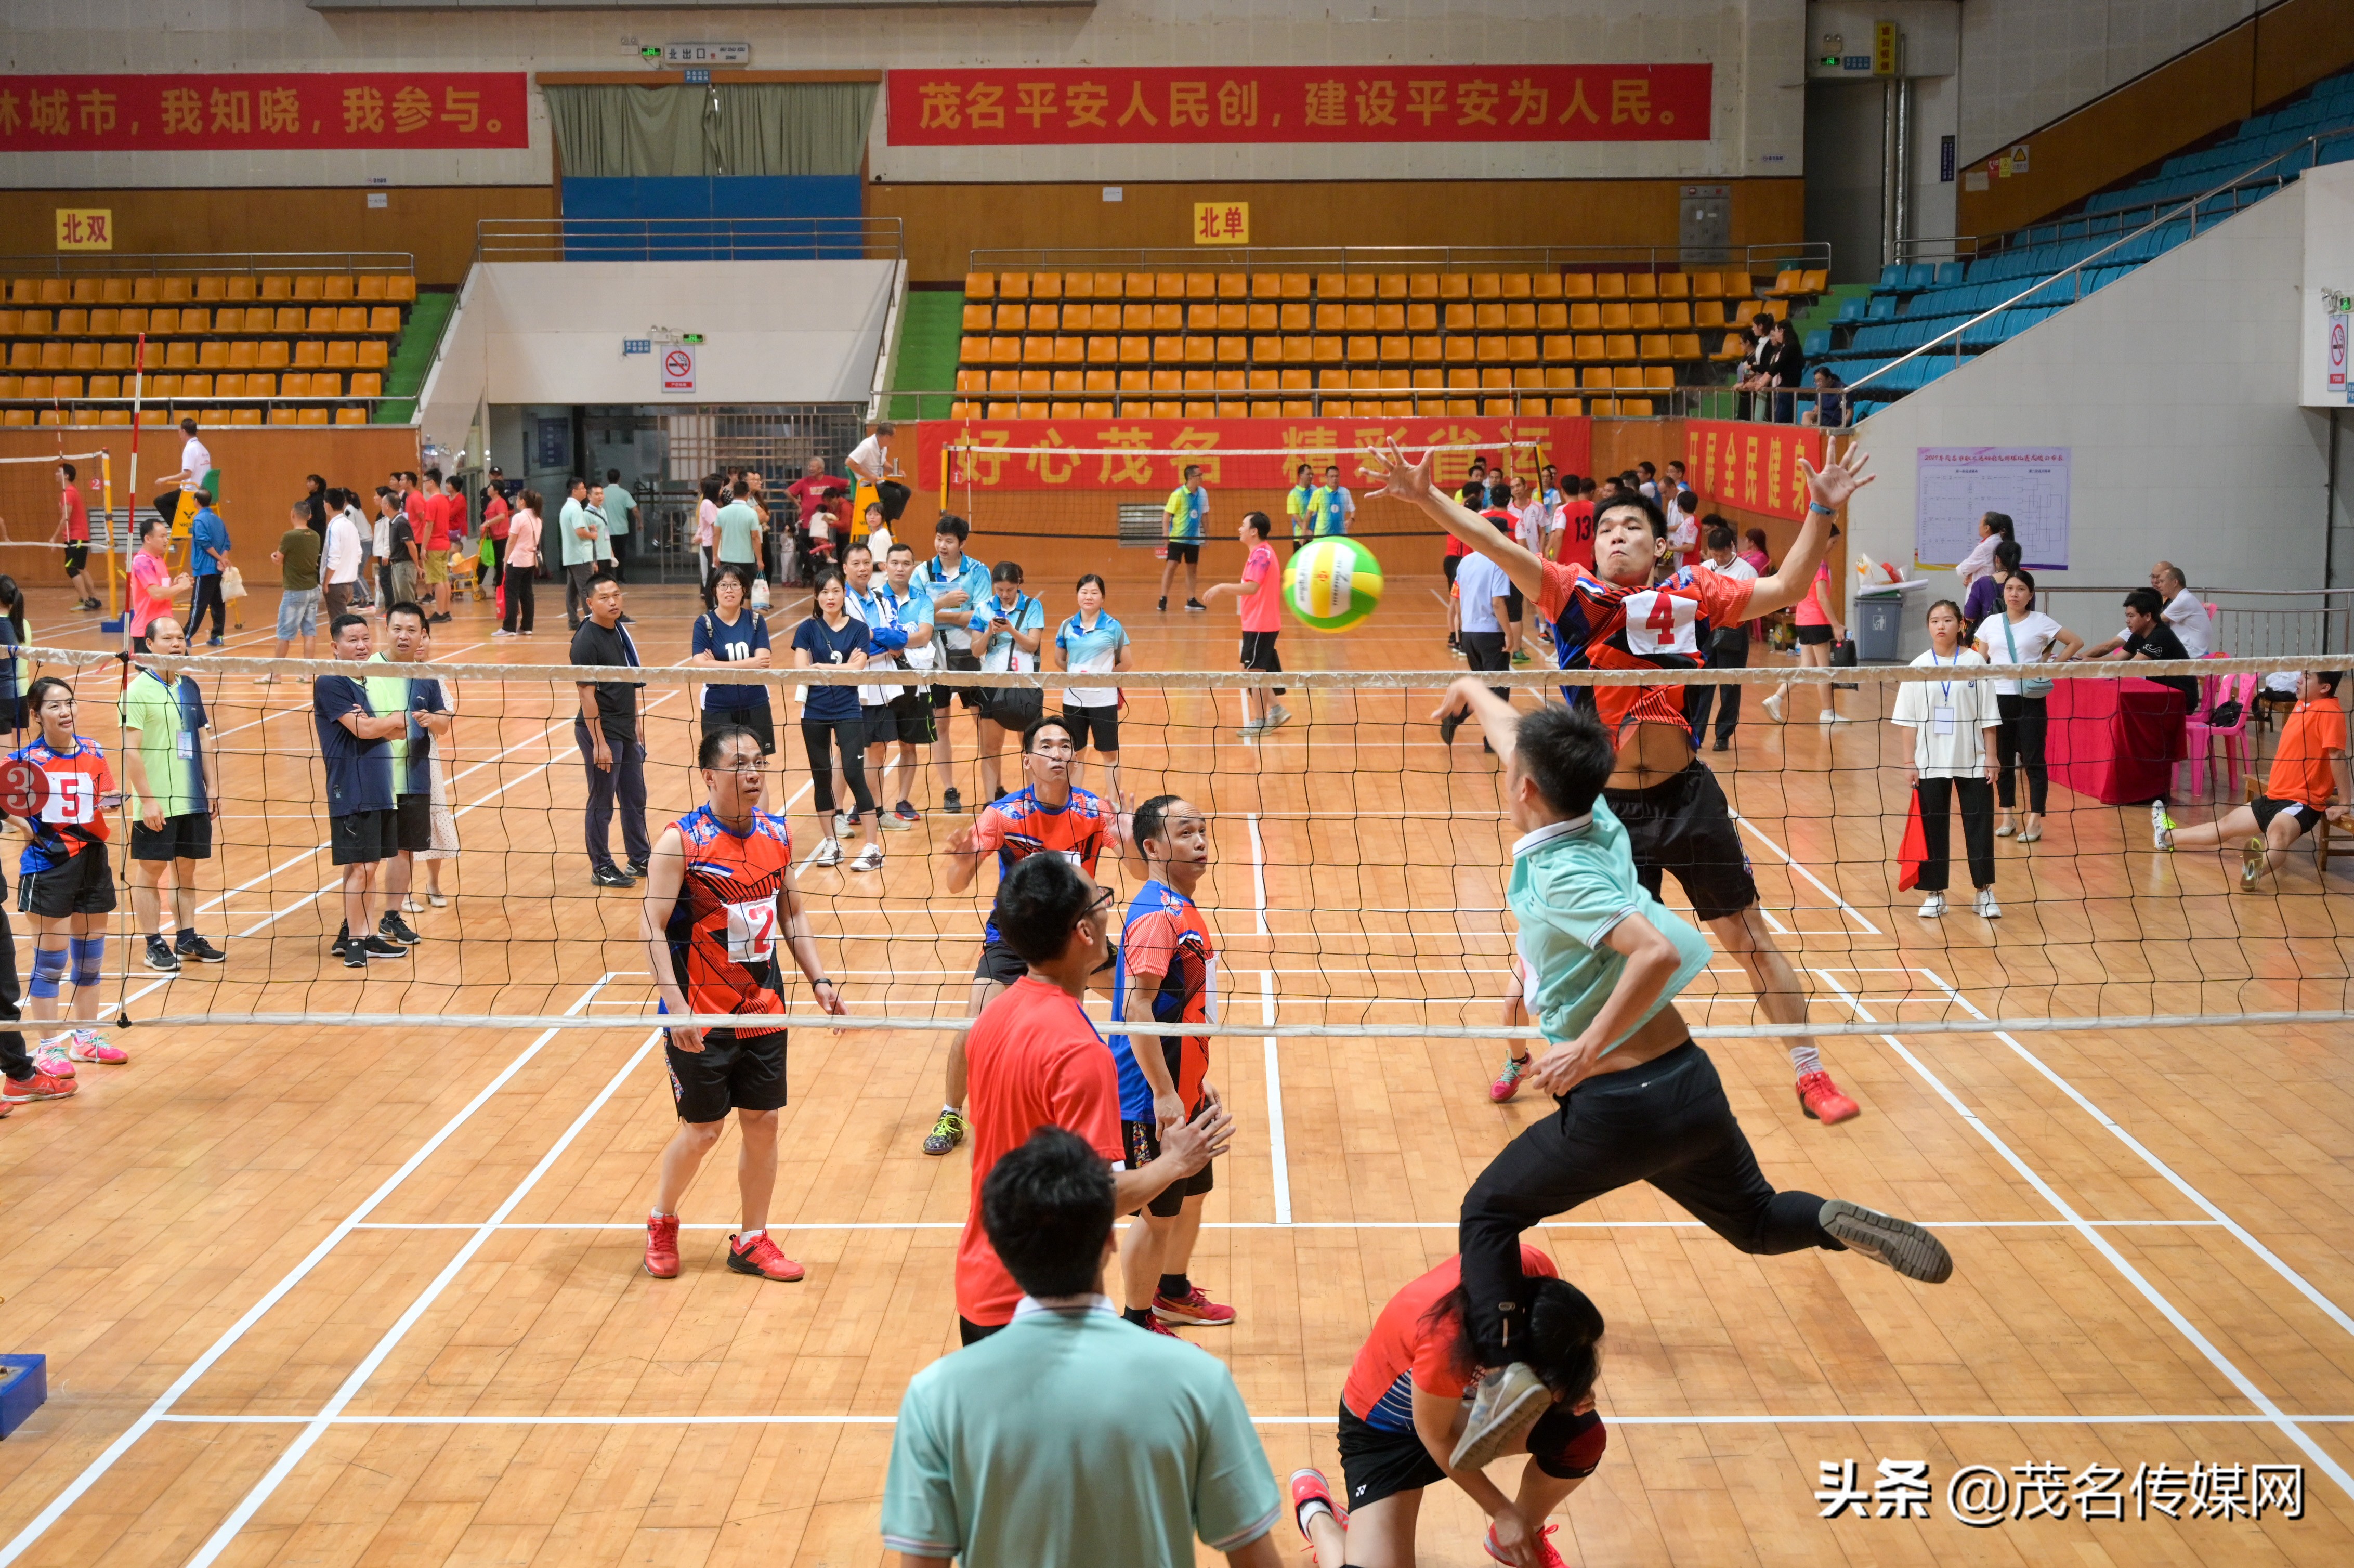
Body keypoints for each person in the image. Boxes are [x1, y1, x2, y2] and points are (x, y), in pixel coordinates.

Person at [1426, 686, 1951, 1477]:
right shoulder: (1599, 817)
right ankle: (1831, 1220)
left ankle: (1502, 1375)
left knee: (1488, 1212)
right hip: (1689, 1086)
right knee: (1758, 1221)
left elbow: (1657, 951)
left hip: (1616, 1110)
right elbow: (1518, 740)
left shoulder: (1563, 872)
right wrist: (1472, 690)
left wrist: (1583, 1049)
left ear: (1524, 788)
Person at [1376, 435, 1874, 1128]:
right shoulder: (1570, 593)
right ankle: (1538, 1059)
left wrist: (1821, 511)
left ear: (1659, 544)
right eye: (1606, 527)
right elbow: (1493, 545)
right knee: (1563, 968)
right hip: (1602, 814)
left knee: (1748, 937)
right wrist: (1426, 496)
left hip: (1686, 797)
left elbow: (1788, 588)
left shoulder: (1696, 592)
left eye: (1632, 526)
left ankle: (1809, 1072)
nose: (1615, 535)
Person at [885, 1125, 1277, 1568]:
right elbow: (1253, 1556)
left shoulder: (935, 1398)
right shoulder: (1198, 1382)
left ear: (997, 1245)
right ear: (1110, 1239)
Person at [947, 854, 1232, 1342]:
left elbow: (986, 1153)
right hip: (1038, 1307)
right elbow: (1090, 1200)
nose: (1110, 909)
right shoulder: (1080, 1051)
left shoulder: (993, 1016)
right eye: (1101, 900)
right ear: (1084, 931)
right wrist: (1175, 1163)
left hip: (980, 1280)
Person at [639, 723, 847, 1285]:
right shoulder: (680, 842)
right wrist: (676, 1008)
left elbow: (792, 913)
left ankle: (752, 1239)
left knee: (763, 1122)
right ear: (709, 776)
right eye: (739, 764)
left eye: (758, 763)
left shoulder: (777, 834)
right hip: (701, 1012)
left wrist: (820, 980)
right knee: (703, 1130)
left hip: (763, 1006)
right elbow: (651, 926)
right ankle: (662, 1220)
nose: (753, 773)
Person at [1290, 1245, 1603, 1568]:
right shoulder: (1445, 1339)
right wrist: (1503, 1511)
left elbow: (1555, 1352)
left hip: (1456, 1412)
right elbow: (1436, 1436)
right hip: (1386, 1434)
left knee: (1581, 1436)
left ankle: (1521, 1536)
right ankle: (1318, 1514)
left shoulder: (1534, 1275)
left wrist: (1569, 1384)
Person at [924, 714, 1121, 1157]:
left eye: (1065, 746)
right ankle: (952, 1111)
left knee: (1141, 1002)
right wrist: (962, 862)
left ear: (1075, 758)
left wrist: (1128, 841)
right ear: (1028, 760)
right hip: (1016, 936)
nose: (1057, 754)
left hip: (1077, 937)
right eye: (1046, 746)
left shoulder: (1095, 810)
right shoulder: (1003, 814)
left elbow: (1140, 869)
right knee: (976, 1023)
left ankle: (1143, 1097)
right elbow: (956, 885)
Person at [1108, 793, 1235, 1335]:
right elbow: (1137, 1010)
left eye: (1202, 830)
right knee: (1157, 1213)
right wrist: (1164, 1092)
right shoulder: (1157, 915)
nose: (1200, 841)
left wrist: (1195, 1077)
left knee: (1194, 1194)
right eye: (1185, 833)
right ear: (1154, 848)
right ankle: (1136, 1323)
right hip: (1148, 1095)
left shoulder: (1181, 906)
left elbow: (1177, 1007)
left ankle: (1173, 1294)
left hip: (1183, 1084)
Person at [9, 677, 128, 1068]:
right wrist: (23, 827)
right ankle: (48, 1048)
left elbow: (105, 793)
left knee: (90, 959)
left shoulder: (92, 749)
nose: (65, 712)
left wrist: (111, 802)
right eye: (54, 706)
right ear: (36, 714)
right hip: (49, 866)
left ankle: (86, 1038)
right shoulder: (26, 761)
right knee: (50, 963)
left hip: (93, 861)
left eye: (70, 703)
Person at [2156, 669, 2350, 889]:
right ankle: (2166, 837)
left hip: (2302, 801)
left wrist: (2345, 802)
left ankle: (2256, 869)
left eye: (2306, 678)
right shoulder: (2303, 703)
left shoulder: (2329, 712)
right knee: (2225, 826)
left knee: (2277, 835)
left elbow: (2337, 757)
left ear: (2325, 688)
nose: (2298, 680)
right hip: (2274, 796)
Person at [119, 616, 228, 973]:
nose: (176, 644)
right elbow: (131, 752)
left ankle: (187, 938)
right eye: (167, 638)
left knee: (186, 869)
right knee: (151, 869)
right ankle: (153, 943)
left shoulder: (189, 686)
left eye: (180, 637)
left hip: (192, 798)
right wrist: (148, 801)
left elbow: (203, 739)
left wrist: (212, 787)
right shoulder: (136, 691)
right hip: (157, 802)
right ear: (149, 645)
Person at [313, 614, 410, 969]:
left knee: (367, 865)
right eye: (352, 640)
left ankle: (362, 934)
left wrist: (381, 724)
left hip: (380, 786)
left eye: (366, 639)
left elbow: (392, 729)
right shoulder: (331, 682)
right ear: (335, 646)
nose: (361, 646)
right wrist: (388, 721)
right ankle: (356, 940)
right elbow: (366, 730)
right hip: (351, 788)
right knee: (364, 867)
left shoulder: (369, 680)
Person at [1894, 600, 2002, 919]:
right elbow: (1908, 721)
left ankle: (1984, 892)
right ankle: (1935, 893)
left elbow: (1989, 715)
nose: (1941, 626)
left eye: (1948, 620)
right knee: (1933, 827)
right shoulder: (1918, 667)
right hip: (1930, 761)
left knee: (1979, 826)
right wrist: (1909, 762)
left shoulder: (1975, 662)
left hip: (1974, 760)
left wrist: (1992, 756)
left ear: (1960, 626)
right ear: (1929, 626)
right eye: (1935, 621)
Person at [1971, 568, 2081, 842]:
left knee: (2033, 760)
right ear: (2004, 593)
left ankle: (2035, 820)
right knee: (2003, 760)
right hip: (1997, 699)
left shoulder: (2040, 621)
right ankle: (2007, 816)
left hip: (2030, 700)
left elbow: (2075, 642)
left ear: (2030, 595)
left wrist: (2050, 668)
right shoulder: (1990, 623)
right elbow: (1979, 660)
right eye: (2010, 589)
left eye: (2021, 589)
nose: (2014, 594)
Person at [366, 603, 450, 943]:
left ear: (422, 635)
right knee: (367, 856)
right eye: (398, 629)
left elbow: (443, 723)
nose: (404, 636)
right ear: (387, 629)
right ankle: (354, 927)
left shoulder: (425, 675)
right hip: (373, 776)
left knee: (404, 850)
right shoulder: (367, 670)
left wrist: (434, 720)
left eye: (412, 630)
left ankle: (392, 916)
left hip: (414, 776)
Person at [792, 567, 883, 872]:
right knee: (821, 778)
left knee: (854, 774)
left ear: (844, 593)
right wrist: (838, 668)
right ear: (816, 596)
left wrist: (822, 667)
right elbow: (801, 670)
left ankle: (873, 848)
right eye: (824, 592)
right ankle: (832, 843)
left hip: (848, 710)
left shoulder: (858, 629)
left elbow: (857, 671)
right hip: (814, 711)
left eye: (835, 591)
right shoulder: (807, 629)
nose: (830, 597)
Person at [572, 573, 649, 888]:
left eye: (616, 595)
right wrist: (599, 743)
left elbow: (627, 679)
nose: (613, 602)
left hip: (624, 726)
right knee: (602, 801)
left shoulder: (618, 630)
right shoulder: (585, 641)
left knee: (635, 796)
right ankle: (601, 866)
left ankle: (639, 858)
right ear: (590, 603)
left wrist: (636, 719)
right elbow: (586, 695)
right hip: (601, 730)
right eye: (604, 598)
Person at [855, 541, 935, 829]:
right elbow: (867, 636)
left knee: (908, 744)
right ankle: (867, 804)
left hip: (913, 682)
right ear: (885, 566)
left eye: (906, 563)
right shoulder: (874, 598)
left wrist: (892, 640)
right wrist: (890, 640)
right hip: (882, 684)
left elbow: (924, 636)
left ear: (914, 567)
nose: (900, 568)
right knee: (875, 746)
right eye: (895, 563)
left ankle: (903, 800)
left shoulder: (923, 601)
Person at [921, 514, 996, 814]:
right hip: (934, 657)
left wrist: (937, 613)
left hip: (970, 655)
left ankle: (994, 788)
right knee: (940, 723)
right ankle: (949, 790)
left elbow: (980, 616)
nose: (942, 545)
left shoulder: (978, 572)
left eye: (949, 541)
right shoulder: (923, 572)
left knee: (984, 723)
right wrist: (948, 605)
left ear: (962, 543)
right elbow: (914, 613)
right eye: (939, 539)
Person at [1200, 512, 1292, 739]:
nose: (1240, 529)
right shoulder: (1259, 553)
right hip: (1256, 623)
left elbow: (1252, 588)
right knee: (1249, 672)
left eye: (1244, 525)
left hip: (1261, 623)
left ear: (1254, 531)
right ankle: (1277, 710)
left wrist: (1221, 588)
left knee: (1254, 675)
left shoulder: (1261, 554)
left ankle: (1260, 722)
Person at [972, 560, 1047, 803]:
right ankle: (990, 803)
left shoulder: (1033, 606)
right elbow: (976, 650)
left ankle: (1034, 801)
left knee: (1030, 747)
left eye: (1010, 590)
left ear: (1019, 585)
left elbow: (1032, 645)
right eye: (1000, 589)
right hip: (992, 686)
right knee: (990, 748)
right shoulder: (983, 608)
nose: (1005, 594)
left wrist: (1011, 630)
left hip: (1025, 685)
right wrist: (989, 632)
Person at [1052, 573, 1131, 801]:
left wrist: (1104, 679)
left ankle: (1114, 804)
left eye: (1094, 593)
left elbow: (1126, 662)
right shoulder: (1067, 625)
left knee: (1110, 754)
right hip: (1073, 700)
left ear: (1102, 597)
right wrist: (1079, 677)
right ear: (1077, 595)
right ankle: (1074, 802)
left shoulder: (1113, 626)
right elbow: (1059, 659)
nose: (1089, 597)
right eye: (1084, 592)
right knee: (1076, 754)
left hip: (1103, 701)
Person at [1760, 524, 1850, 725]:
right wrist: (1836, 624)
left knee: (1807, 666)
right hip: (1817, 622)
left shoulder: (1807, 562)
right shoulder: (1821, 565)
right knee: (1823, 670)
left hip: (1803, 620)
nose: (1834, 546)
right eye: (1833, 542)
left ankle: (1776, 698)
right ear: (1823, 539)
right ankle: (1828, 713)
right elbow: (1822, 598)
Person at [1683, 523, 1757, 752]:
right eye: (1715, 555)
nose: (1719, 559)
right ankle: (1696, 734)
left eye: (1723, 555)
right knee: (1702, 684)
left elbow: (1754, 606)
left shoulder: (1747, 572)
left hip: (1734, 632)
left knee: (1729, 685)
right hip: (1706, 632)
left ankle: (1723, 735)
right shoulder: (1704, 568)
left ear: (1732, 547)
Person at [691, 564, 776, 755]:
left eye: (735, 585)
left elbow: (762, 662)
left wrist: (718, 664)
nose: (729, 590)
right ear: (715, 591)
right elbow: (701, 663)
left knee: (758, 763)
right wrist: (748, 663)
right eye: (723, 585)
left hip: (755, 703)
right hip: (718, 706)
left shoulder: (756, 621)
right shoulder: (704, 623)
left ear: (744, 590)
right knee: (720, 765)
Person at [409, 619, 461, 910]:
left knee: (435, 818)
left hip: (427, 758)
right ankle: (401, 892)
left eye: (424, 636)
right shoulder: (389, 672)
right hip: (394, 758)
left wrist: (431, 719)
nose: (420, 642)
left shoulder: (433, 676)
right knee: (402, 822)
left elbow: (443, 726)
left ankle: (433, 884)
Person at [2080, 561, 2211, 662]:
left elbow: (2131, 666)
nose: (2158, 584)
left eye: (2161, 580)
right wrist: (2087, 661)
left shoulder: (2182, 602)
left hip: (2192, 656)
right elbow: (2117, 659)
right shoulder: (2142, 631)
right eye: (2153, 578)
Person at [266, 501, 323, 674]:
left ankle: (276, 675)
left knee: (284, 634)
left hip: (295, 591)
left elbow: (279, 559)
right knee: (310, 632)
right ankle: (307, 674)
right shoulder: (315, 536)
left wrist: (274, 557)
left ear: (293, 514)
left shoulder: (289, 536)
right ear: (310, 516)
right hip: (313, 589)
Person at [127, 517, 189, 655]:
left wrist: (176, 583)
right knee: (151, 670)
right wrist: (181, 587)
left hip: (165, 627)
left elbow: (165, 590)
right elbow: (156, 593)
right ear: (148, 539)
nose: (166, 540)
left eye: (167, 536)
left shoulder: (159, 560)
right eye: (162, 537)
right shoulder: (142, 562)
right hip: (148, 630)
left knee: (183, 665)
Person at [1158, 462, 1210, 613]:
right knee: (1172, 566)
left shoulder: (1203, 493)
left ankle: (1191, 600)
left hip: (1194, 539)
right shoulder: (1178, 494)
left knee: (1192, 568)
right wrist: (1166, 534)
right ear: (1191, 478)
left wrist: (1208, 535)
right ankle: (1163, 598)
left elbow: (1205, 515)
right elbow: (1167, 514)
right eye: (1199, 475)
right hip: (1177, 538)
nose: (1202, 477)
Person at [185, 490, 231, 648]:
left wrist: (219, 559)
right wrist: (223, 559)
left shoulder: (199, 520)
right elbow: (227, 543)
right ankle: (218, 636)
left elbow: (204, 543)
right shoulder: (218, 520)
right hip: (218, 569)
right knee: (218, 604)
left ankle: (186, 636)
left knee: (198, 604)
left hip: (205, 569)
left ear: (196, 501)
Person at [152, 415, 213, 534]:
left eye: (179, 431)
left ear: (184, 432)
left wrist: (165, 479)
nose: (179, 434)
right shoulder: (203, 448)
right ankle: (182, 525)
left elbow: (187, 473)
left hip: (191, 491)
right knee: (172, 501)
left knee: (160, 501)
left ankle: (178, 531)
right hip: (201, 489)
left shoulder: (190, 449)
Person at [496, 489, 542, 637]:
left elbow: (512, 541)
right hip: (530, 560)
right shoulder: (538, 518)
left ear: (523, 501)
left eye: (518, 499)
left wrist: (505, 560)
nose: (516, 502)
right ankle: (527, 626)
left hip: (517, 560)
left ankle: (509, 627)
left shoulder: (519, 517)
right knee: (527, 593)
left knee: (511, 593)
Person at [54, 462, 98, 612]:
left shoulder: (69, 493)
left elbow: (65, 518)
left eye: (59, 472)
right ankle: (94, 599)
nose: (56, 474)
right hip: (78, 536)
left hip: (76, 537)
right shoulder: (71, 492)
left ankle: (86, 601)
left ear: (66, 476)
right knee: (81, 567)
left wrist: (54, 538)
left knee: (71, 568)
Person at [846, 420, 909, 526]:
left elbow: (882, 463)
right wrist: (869, 476)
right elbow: (849, 462)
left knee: (905, 491)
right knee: (895, 494)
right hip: (867, 484)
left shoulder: (883, 447)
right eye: (893, 437)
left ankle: (887, 519)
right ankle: (884, 522)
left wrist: (895, 471)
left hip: (879, 481)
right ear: (887, 437)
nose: (893, 440)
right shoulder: (867, 446)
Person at [558, 477, 600, 631]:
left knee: (572, 590)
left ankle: (573, 621)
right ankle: (592, 621)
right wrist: (592, 535)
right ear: (574, 491)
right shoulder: (576, 509)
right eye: (583, 488)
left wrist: (586, 528)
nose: (585, 491)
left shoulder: (567, 508)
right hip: (581, 555)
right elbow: (580, 532)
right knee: (586, 589)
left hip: (571, 555)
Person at [1960, 538, 2020, 640]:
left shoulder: (1982, 583)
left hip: (1988, 640)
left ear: (1997, 559)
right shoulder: (2025, 584)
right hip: (2019, 637)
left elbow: (1970, 615)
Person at [322, 487, 365, 625]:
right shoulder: (350, 525)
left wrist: (326, 582)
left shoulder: (334, 526)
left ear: (328, 506)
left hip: (335, 584)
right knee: (341, 624)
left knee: (339, 627)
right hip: (348, 585)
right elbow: (359, 554)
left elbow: (333, 557)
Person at [416, 467, 454, 624]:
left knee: (437, 580)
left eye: (425, 482)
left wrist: (423, 547)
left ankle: (439, 612)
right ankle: (446, 611)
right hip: (445, 544)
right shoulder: (445, 500)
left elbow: (429, 525)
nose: (424, 485)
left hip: (434, 544)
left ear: (432, 482)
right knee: (444, 579)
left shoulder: (432, 502)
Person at [1953, 511, 2013, 592]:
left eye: (1980, 523)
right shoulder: (1998, 542)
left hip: (1983, 590)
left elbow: (1963, 570)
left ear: (1987, 528)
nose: (1979, 526)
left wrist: (1970, 573)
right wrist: (1972, 575)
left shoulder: (1985, 547)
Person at [383, 487, 421, 611]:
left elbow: (411, 546)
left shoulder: (401, 523)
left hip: (404, 566)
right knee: (400, 603)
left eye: (383, 504)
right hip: (396, 565)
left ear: (387, 506)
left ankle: (413, 621)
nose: (381, 506)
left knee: (407, 602)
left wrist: (417, 566)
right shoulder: (394, 522)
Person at [600, 468, 635, 579]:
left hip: (606, 530)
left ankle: (609, 576)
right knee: (621, 554)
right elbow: (635, 509)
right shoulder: (624, 494)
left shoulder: (602, 493)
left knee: (607, 553)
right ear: (619, 479)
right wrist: (640, 523)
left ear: (607, 479)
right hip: (622, 530)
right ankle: (620, 577)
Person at [1306, 462, 1354, 538]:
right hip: (1322, 536)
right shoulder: (1318, 493)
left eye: (1337, 476)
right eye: (1332, 476)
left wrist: (1352, 519)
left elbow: (1353, 510)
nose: (1335, 479)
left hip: (1341, 535)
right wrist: (1305, 531)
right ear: (1326, 477)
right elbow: (1309, 513)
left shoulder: (1345, 492)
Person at [694, 474, 722, 590]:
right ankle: (711, 597)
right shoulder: (707, 504)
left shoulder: (711, 504)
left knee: (714, 571)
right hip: (711, 542)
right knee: (714, 571)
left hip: (713, 541)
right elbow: (715, 526)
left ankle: (712, 596)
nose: (722, 491)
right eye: (720, 488)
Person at [1284, 461, 1316, 547]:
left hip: (1316, 536)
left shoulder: (1316, 490)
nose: (1311, 477)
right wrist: (1307, 531)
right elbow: (1296, 517)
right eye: (1308, 474)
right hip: (1300, 537)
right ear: (1301, 476)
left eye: (1312, 474)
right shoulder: (1293, 494)